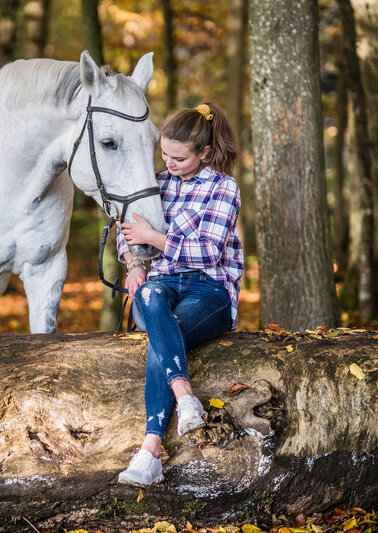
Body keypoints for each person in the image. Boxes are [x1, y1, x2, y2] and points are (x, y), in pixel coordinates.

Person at [115, 102, 244, 487]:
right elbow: (126, 231)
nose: (169, 163)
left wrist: (154, 239)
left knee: (161, 337)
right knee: (151, 298)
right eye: (165, 154)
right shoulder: (158, 183)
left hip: (211, 289)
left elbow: (209, 252)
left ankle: (150, 450)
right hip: (163, 285)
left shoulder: (224, 188)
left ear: (204, 153)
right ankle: (184, 395)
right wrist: (134, 264)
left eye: (179, 157)